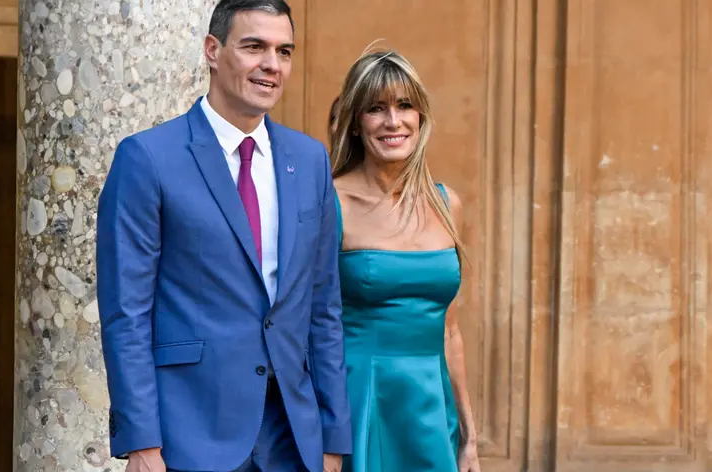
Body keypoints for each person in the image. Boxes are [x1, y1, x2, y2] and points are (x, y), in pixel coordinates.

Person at [96, 1, 351, 471]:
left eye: (284, 51)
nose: (271, 65)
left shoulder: (310, 160)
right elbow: (125, 313)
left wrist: (333, 440)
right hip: (188, 434)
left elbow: (323, 308)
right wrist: (142, 442)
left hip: (293, 438)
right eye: (254, 47)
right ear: (213, 51)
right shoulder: (147, 158)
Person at [329, 50, 481, 472]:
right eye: (376, 109)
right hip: (358, 401)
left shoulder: (448, 202)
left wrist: (469, 438)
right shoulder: (330, 201)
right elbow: (305, 324)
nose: (393, 121)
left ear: (421, 117)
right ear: (357, 123)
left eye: (404, 105)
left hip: (432, 409)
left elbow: (450, 332)